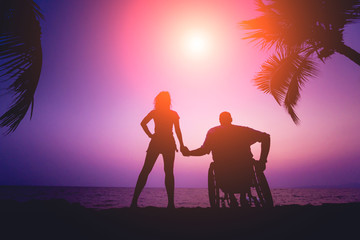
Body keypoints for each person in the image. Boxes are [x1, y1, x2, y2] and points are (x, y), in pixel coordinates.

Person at [182, 111, 270, 207]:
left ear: (220, 121)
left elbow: (203, 150)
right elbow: (266, 137)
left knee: (221, 166)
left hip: (223, 175)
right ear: (231, 119)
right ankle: (243, 196)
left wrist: (189, 153)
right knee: (244, 165)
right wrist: (262, 161)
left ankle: (231, 197)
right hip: (245, 173)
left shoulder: (213, 132)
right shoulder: (243, 131)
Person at [131, 91, 186, 208]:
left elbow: (143, 123)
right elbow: (177, 131)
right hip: (167, 142)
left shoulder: (156, 112)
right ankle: (170, 204)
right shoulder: (172, 113)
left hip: (158, 142)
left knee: (146, 170)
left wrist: (151, 135)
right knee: (167, 172)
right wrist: (181, 145)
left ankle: (134, 202)